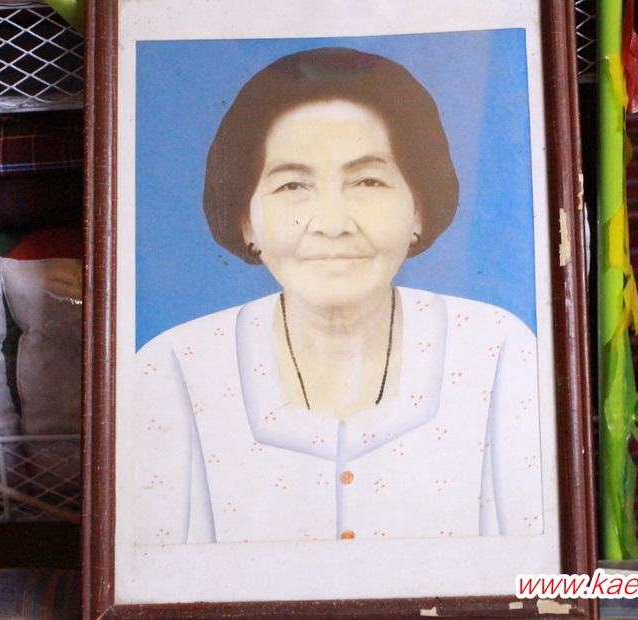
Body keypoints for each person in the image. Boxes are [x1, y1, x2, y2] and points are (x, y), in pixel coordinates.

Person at [134, 47, 543, 545]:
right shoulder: (174, 367)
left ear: (418, 208)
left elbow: (534, 570)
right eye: (291, 186)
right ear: (245, 220)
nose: (331, 225)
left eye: (368, 180)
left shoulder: (497, 351)